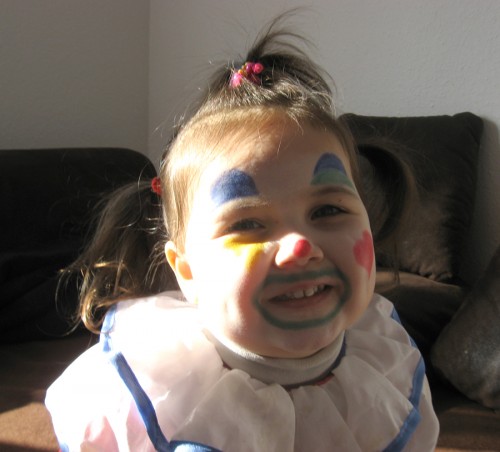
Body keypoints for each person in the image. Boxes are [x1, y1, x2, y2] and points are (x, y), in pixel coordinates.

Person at [46, 15, 439, 452]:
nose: (300, 246)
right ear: (187, 272)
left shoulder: (388, 367)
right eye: (247, 224)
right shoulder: (150, 400)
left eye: (328, 210)